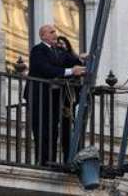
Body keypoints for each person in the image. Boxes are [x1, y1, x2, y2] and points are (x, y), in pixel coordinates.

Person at [27, 25, 86, 166]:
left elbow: (70, 60)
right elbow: (45, 69)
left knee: (53, 130)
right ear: (43, 36)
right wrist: (71, 71)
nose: (55, 34)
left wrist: (81, 59)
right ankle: (44, 161)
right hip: (39, 97)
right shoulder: (38, 50)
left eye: (55, 32)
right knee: (42, 129)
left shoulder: (57, 51)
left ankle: (51, 160)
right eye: (52, 32)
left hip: (52, 98)